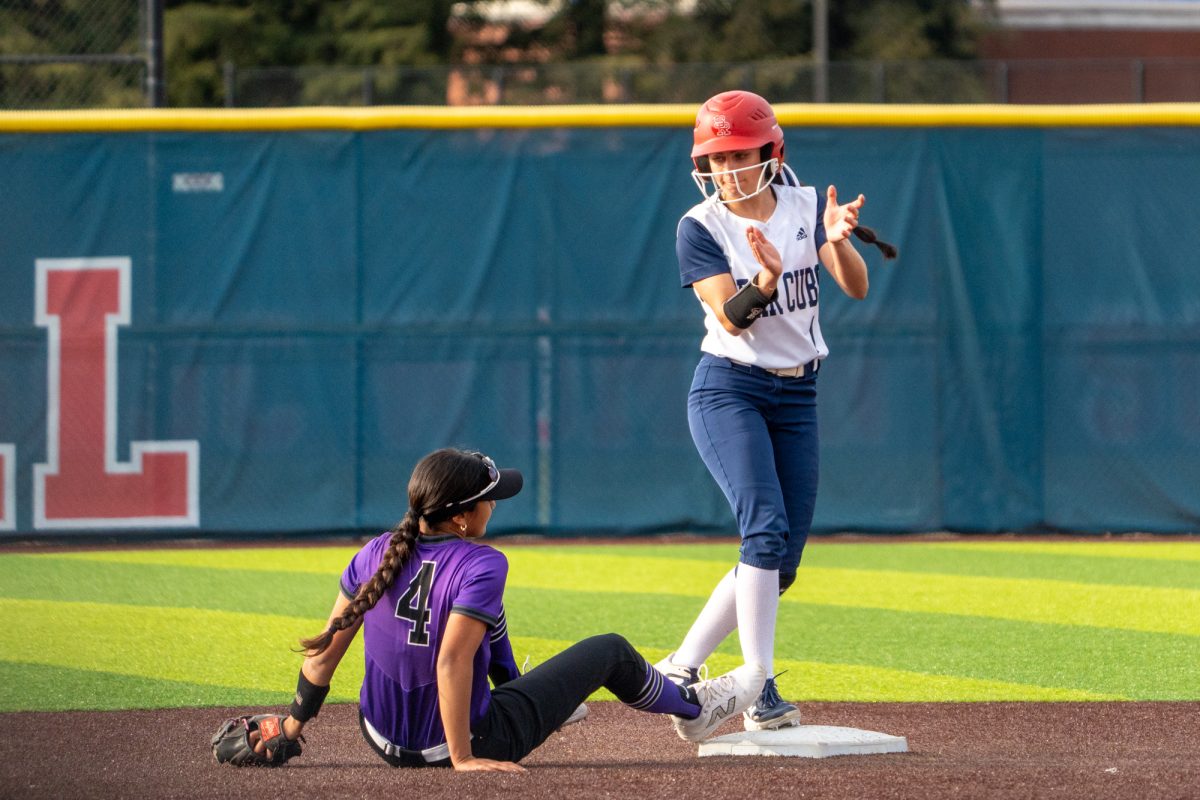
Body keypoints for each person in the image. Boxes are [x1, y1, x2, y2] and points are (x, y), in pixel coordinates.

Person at [238, 448, 766, 772]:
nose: (495, 505)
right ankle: (696, 710)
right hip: (459, 743)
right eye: (490, 499)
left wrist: (289, 728)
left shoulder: (374, 552)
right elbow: (449, 663)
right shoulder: (483, 562)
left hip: (378, 736)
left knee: (486, 621)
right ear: (464, 517)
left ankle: (527, 693)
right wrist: (464, 759)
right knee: (612, 651)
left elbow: (323, 658)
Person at [655, 91, 896, 731]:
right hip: (728, 388)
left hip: (798, 394)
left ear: (772, 151)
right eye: (716, 157)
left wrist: (838, 237)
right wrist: (763, 281)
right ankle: (756, 689)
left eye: (740, 153)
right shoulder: (699, 225)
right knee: (762, 531)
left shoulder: (804, 202)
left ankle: (681, 665)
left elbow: (857, 286)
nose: (729, 168)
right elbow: (731, 323)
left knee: (780, 561)